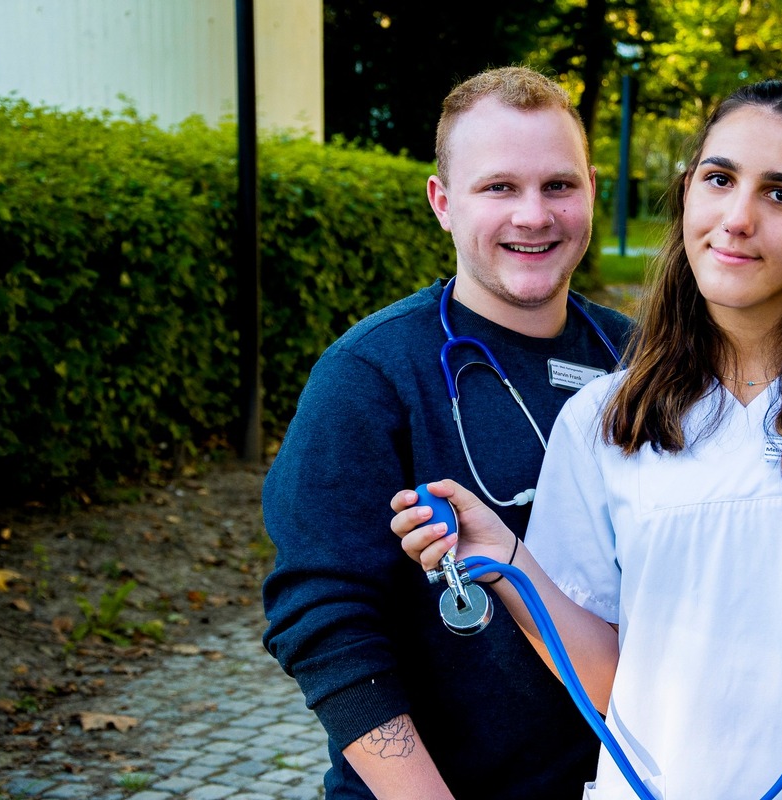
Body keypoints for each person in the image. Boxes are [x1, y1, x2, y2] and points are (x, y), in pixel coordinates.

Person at [393, 78, 782, 799]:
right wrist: (501, 558)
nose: (737, 218)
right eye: (719, 179)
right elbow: (607, 684)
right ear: (689, 191)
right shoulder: (604, 420)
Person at [261, 66, 633, 799]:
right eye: (499, 188)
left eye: (558, 185)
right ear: (443, 201)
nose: (534, 215)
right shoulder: (370, 374)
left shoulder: (644, 362)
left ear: (592, 189)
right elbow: (322, 620)